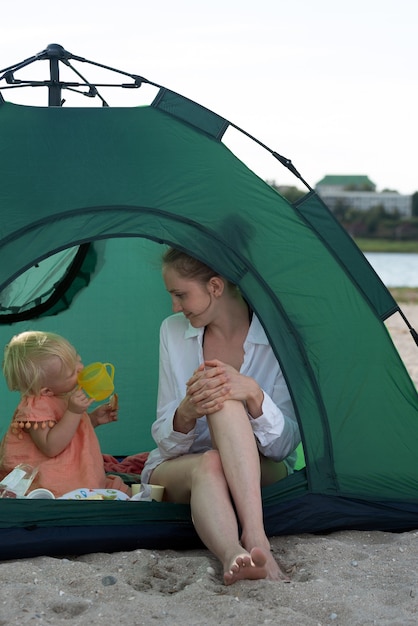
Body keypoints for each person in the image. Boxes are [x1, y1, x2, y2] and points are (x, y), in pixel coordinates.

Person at [141, 248, 300, 585]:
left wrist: (254, 395)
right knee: (211, 458)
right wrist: (185, 412)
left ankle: (256, 537)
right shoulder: (172, 331)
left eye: (180, 295)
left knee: (226, 393)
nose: (174, 307)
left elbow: (285, 448)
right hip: (185, 467)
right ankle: (232, 551)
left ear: (215, 286)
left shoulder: (278, 337)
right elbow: (165, 443)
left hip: (257, 467)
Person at [0, 330, 129, 497]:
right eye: (71, 373)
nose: (81, 368)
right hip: (52, 483)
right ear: (46, 390)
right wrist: (74, 412)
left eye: (77, 359)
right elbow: (51, 446)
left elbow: (67, 431)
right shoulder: (36, 406)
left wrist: (92, 419)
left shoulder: (62, 395)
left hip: (77, 472)